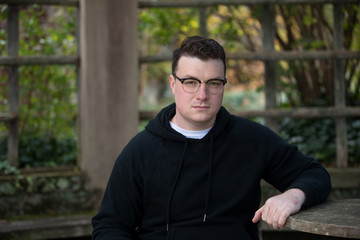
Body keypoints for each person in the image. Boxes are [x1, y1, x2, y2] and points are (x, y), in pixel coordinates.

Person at [92, 36, 331, 240]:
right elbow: (109, 226)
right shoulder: (141, 151)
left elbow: (315, 174)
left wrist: (293, 195)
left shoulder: (250, 139)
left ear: (223, 86)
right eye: (191, 83)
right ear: (173, 84)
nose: (202, 94)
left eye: (213, 83)